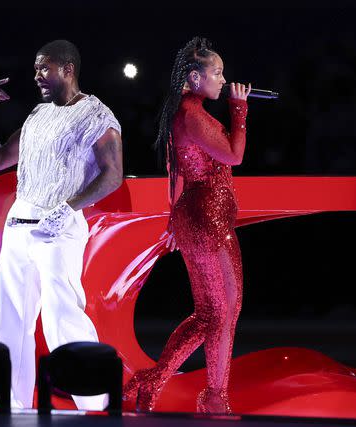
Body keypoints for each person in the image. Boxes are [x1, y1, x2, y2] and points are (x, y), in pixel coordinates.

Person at [0, 39, 123, 410]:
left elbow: (113, 175)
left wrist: (68, 208)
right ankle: (9, 401)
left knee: (61, 315)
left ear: (68, 69)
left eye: (44, 68)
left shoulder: (96, 115)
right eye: (37, 68)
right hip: (19, 225)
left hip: (58, 229)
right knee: (10, 320)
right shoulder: (37, 115)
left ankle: (96, 401)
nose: (37, 75)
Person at [123, 36, 251, 414]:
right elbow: (235, 154)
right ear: (194, 78)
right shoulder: (192, 115)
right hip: (207, 217)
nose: (223, 80)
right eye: (217, 73)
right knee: (226, 309)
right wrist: (239, 109)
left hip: (197, 216)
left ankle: (154, 382)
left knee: (212, 312)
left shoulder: (183, 112)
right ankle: (214, 397)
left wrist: (173, 219)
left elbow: (174, 170)